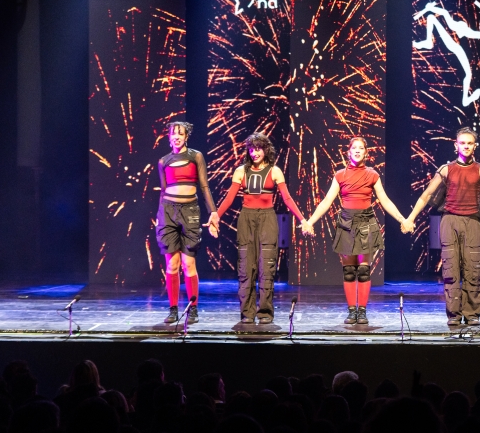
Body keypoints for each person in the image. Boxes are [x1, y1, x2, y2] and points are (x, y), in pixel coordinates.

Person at [403, 127, 480, 327]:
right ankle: (454, 315)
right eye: (462, 143)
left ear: (475, 146)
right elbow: (426, 195)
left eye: (469, 143)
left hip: (473, 222)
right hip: (450, 222)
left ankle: (472, 314)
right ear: (456, 146)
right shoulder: (446, 169)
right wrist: (410, 218)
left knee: (474, 270)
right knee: (451, 271)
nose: (466, 146)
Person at [303, 137, 407, 326]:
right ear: (348, 152)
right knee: (349, 270)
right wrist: (310, 221)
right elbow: (327, 201)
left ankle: (362, 311)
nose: (357, 151)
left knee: (364, 270)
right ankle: (352, 311)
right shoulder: (340, 175)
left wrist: (402, 219)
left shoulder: (372, 175)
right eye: (354, 148)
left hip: (366, 223)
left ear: (366, 153)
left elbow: (384, 200)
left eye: (361, 148)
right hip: (346, 223)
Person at [215, 133, 308, 324]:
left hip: (267, 219)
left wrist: (303, 219)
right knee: (246, 268)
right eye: (251, 149)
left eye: (258, 149)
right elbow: (229, 198)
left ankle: (265, 313)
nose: (255, 153)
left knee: (266, 267)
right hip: (246, 220)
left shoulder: (275, 171)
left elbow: (287, 198)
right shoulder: (240, 171)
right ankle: (247, 313)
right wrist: (216, 216)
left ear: (266, 150)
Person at [156, 120, 219, 324]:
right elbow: (163, 191)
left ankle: (193, 308)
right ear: (169, 137)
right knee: (172, 264)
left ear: (186, 136)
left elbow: (204, 186)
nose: (176, 136)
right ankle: (173, 309)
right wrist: (159, 217)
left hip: (190, 211)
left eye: (180, 133)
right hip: (168, 212)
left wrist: (213, 212)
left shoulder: (195, 156)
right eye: (173, 133)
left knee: (188, 263)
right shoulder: (163, 161)